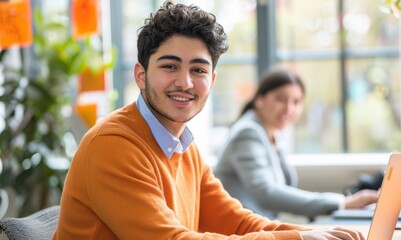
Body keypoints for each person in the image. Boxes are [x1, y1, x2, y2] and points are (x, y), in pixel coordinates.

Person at [53, 1, 366, 239]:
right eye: (170, 66)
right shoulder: (113, 145)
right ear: (140, 75)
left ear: (212, 81)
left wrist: (314, 234)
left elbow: (238, 221)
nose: (186, 82)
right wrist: (297, 237)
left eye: (198, 70)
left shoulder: (183, 146)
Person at [214, 67, 379, 221]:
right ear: (259, 99)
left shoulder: (271, 134)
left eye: (296, 101)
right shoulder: (248, 133)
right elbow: (265, 192)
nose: (289, 109)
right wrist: (342, 203)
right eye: (281, 99)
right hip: (236, 232)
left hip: (259, 228)